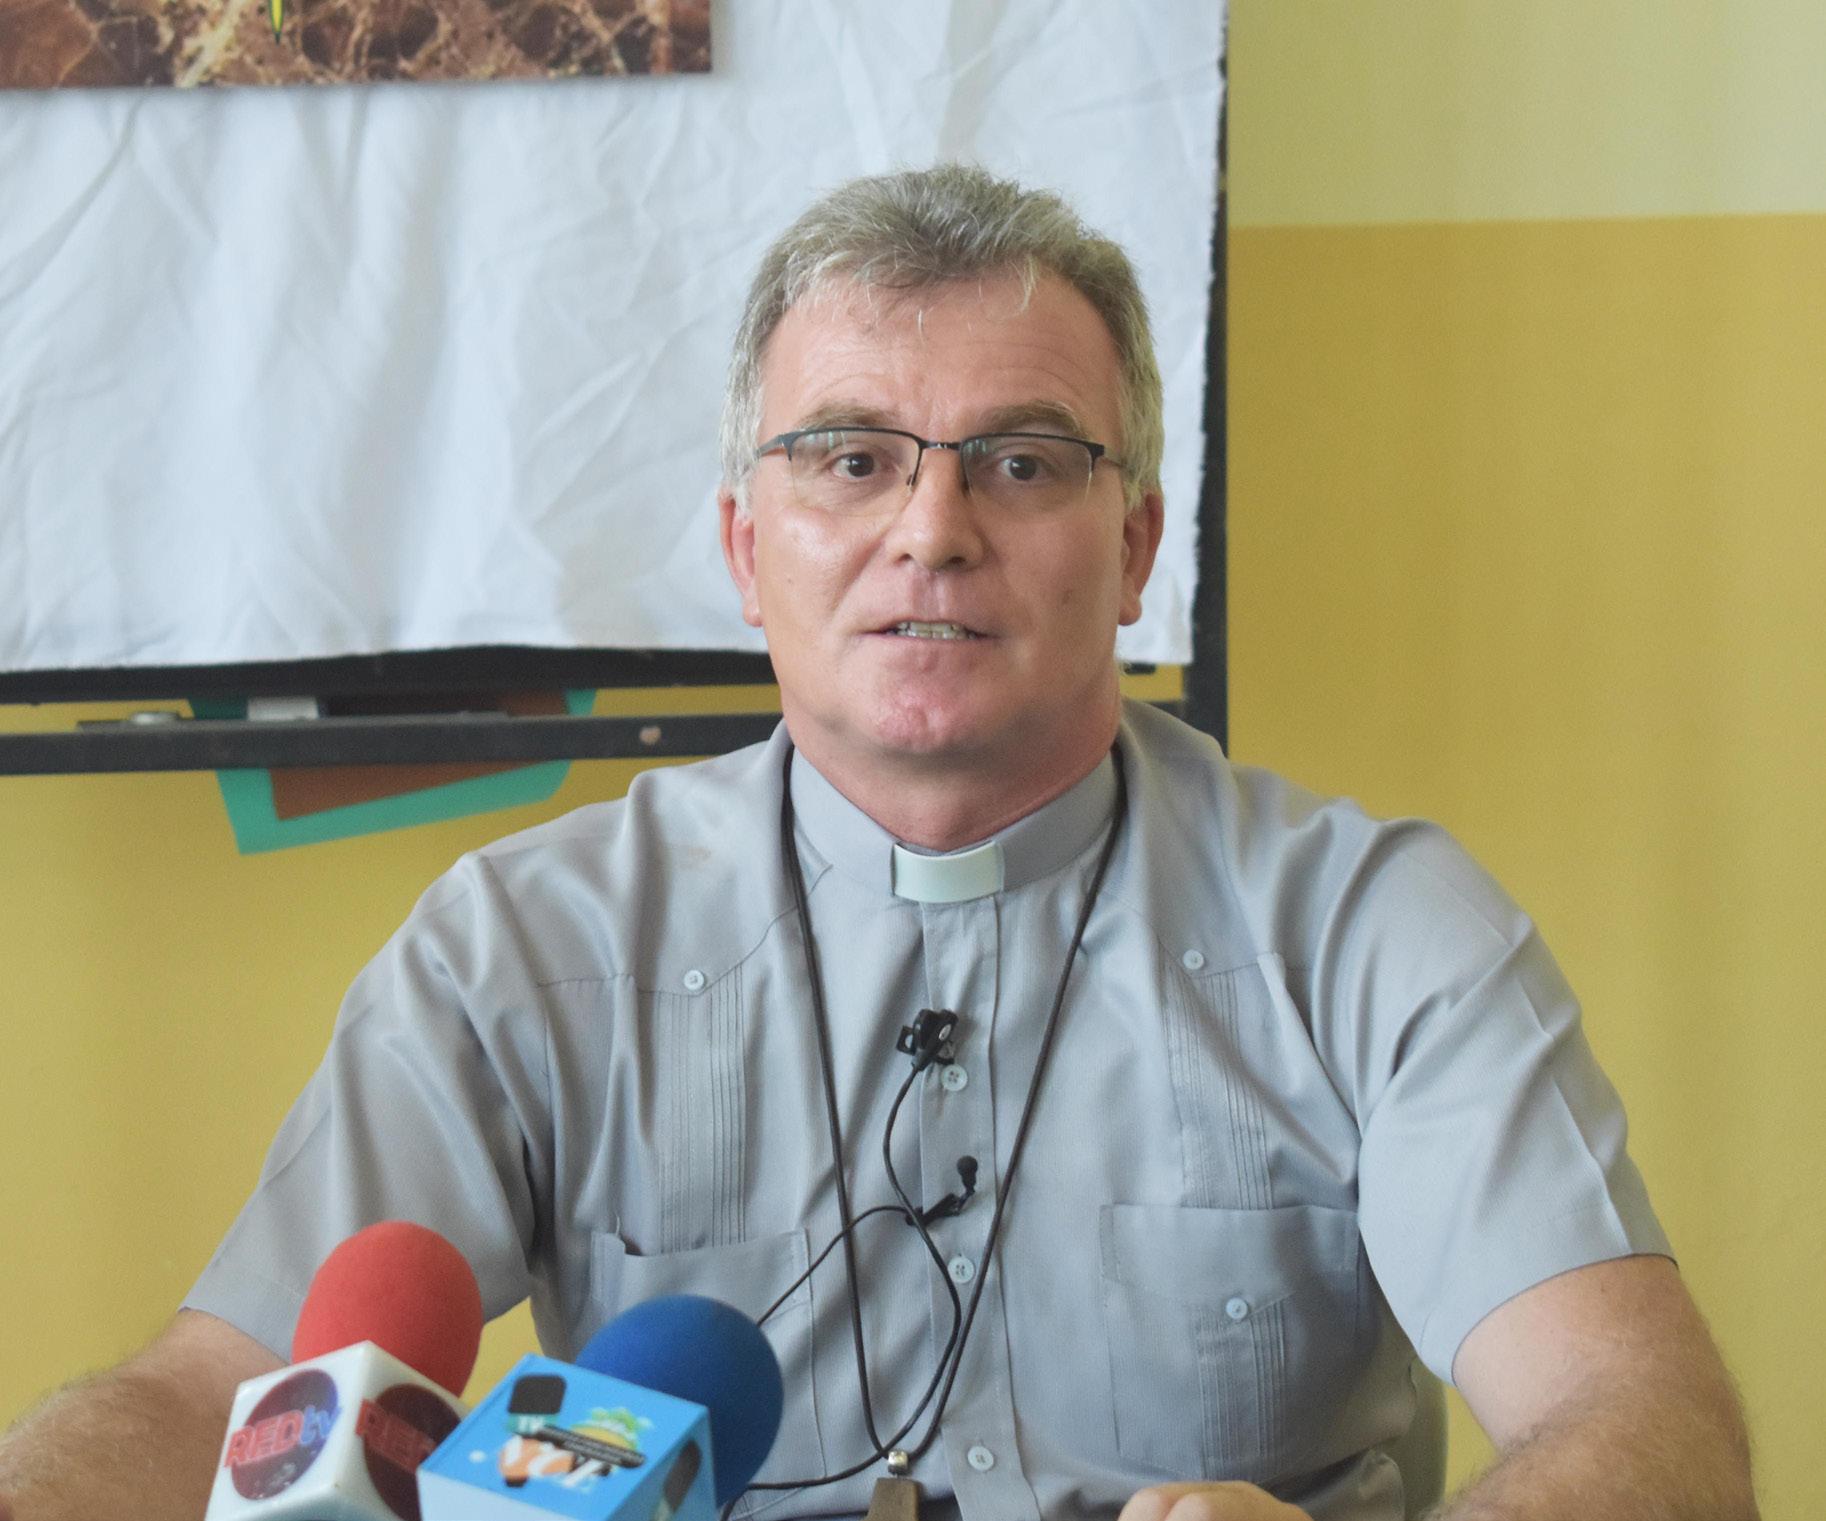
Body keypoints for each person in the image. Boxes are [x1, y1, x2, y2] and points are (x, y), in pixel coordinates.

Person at [0, 165, 1755, 1521]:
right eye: (849, 458)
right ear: (743, 545)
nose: (930, 528)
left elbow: (1643, 1429)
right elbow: (213, 1404)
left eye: (1021, 462)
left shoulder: (1377, 930)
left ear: (1135, 549)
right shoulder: (514, 951)